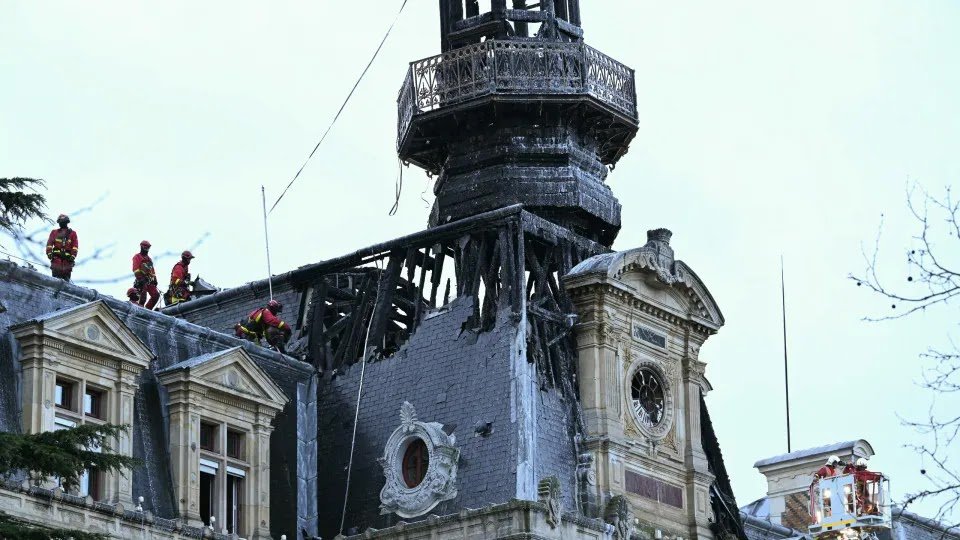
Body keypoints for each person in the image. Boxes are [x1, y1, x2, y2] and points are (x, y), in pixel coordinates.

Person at [45, 214, 78, 280]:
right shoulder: (54, 232)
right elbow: (49, 244)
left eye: (63, 222)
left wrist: (73, 256)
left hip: (67, 261)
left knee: (66, 282)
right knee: (55, 280)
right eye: (61, 222)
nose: (62, 224)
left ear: (67, 222)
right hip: (56, 260)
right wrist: (49, 253)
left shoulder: (72, 233)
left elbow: (75, 246)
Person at [132, 240, 160, 309]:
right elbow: (136, 269)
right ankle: (140, 309)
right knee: (143, 296)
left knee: (156, 295)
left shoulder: (149, 259)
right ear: (141, 247)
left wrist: (155, 279)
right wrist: (140, 278)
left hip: (149, 280)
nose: (147, 249)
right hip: (141, 280)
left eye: (148, 248)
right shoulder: (137, 257)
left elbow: (152, 270)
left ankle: (147, 310)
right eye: (145, 247)